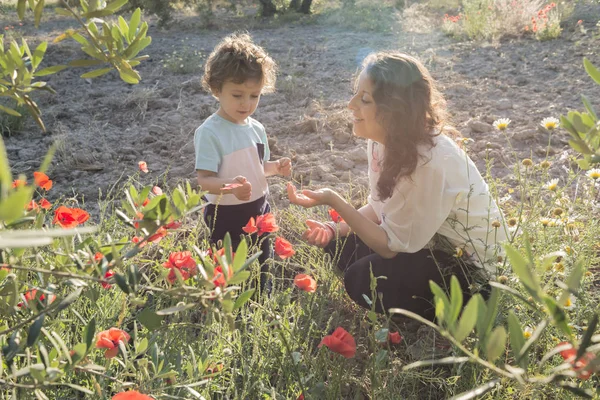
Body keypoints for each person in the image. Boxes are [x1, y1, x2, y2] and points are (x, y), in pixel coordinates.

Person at [287, 52, 507, 321]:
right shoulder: (382, 141)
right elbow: (380, 206)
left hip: (475, 273)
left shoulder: (429, 161)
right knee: (338, 246)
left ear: (395, 111)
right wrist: (336, 228)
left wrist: (335, 201)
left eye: (364, 99)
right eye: (356, 94)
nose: (350, 105)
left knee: (361, 279)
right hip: (432, 244)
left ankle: (447, 318)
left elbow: (390, 245)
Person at [194, 33, 292, 288]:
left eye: (254, 96)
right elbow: (204, 181)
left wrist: (276, 168)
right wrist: (231, 186)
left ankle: (261, 301)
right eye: (237, 95)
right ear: (216, 89)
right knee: (227, 269)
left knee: (262, 261)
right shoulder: (210, 132)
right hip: (225, 213)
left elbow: (259, 168)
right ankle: (226, 308)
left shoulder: (256, 128)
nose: (246, 104)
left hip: (259, 207)